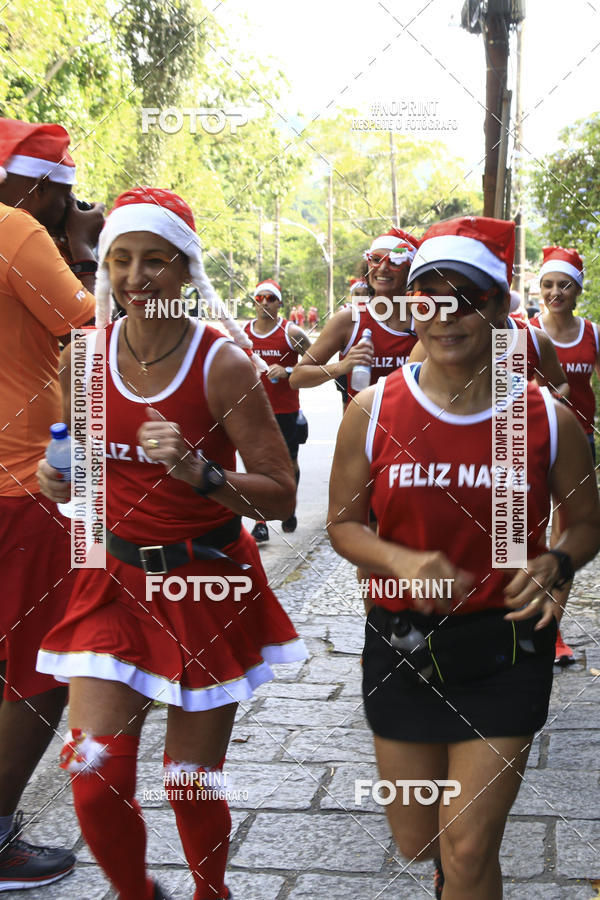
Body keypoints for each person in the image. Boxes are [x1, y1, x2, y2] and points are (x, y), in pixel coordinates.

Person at [36, 188, 307, 900]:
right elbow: (80, 477)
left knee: (188, 783)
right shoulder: (84, 358)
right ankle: (138, 895)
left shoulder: (222, 366)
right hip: (113, 585)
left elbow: (280, 493)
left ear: (186, 271)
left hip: (206, 585)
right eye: (120, 259)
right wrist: (59, 482)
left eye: (155, 261)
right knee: (92, 775)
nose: (135, 278)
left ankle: (210, 891)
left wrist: (200, 470)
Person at [327, 216, 600, 900]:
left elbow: (587, 523)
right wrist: (400, 560)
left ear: (500, 308)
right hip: (403, 644)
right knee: (421, 842)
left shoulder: (543, 417)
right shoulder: (374, 408)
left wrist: (557, 564)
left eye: (467, 298)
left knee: (470, 844)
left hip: (506, 646)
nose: (445, 315)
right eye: (430, 297)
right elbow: (341, 525)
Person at [0, 117, 103, 889]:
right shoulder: (14, 229)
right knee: (45, 665)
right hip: (24, 484)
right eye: (65, 196)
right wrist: (88, 251)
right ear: (39, 187)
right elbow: (98, 337)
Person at [530, 246, 600, 664]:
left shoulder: (592, 333)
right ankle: (524, 620)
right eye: (548, 285)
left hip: (578, 445)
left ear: (577, 290)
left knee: (568, 536)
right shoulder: (525, 331)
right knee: (525, 535)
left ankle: (552, 629)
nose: (555, 292)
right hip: (532, 443)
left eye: (564, 286)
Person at [289, 229, 419, 407]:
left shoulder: (425, 320)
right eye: (376, 259)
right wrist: (342, 367)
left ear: (411, 269)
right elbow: (297, 378)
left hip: (414, 430)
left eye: (395, 261)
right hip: (363, 431)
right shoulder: (349, 319)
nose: (382, 267)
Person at [244, 279, 311, 542]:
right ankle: (260, 521)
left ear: (279, 303)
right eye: (259, 298)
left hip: (286, 411)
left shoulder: (291, 332)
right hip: (254, 411)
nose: (264, 303)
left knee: (288, 463)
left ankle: (289, 506)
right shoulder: (243, 333)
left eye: (270, 298)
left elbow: (316, 359)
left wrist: (289, 371)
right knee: (257, 466)